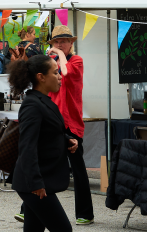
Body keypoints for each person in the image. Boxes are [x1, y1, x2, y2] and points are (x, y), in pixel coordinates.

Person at [10, 54, 78, 232]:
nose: (59, 76)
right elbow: (27, 147)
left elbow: (45, 132)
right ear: (41, 77)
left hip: (39, 179)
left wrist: (65, 139)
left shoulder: (43, 101)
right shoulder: (32, 105)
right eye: (55, 72)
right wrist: (36, 183)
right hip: (33, 183)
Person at [45, 25, 93, 225]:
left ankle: (85, 214)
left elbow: (65, 71)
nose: (59, 45)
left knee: (78, 168)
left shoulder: (76, 60)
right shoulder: (51, 63)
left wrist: (56, 55)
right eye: (56, 42)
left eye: (63, 41)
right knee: (44, 164)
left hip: (72, 122)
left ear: (71, 43)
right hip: (54, 120)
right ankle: (28, 208)